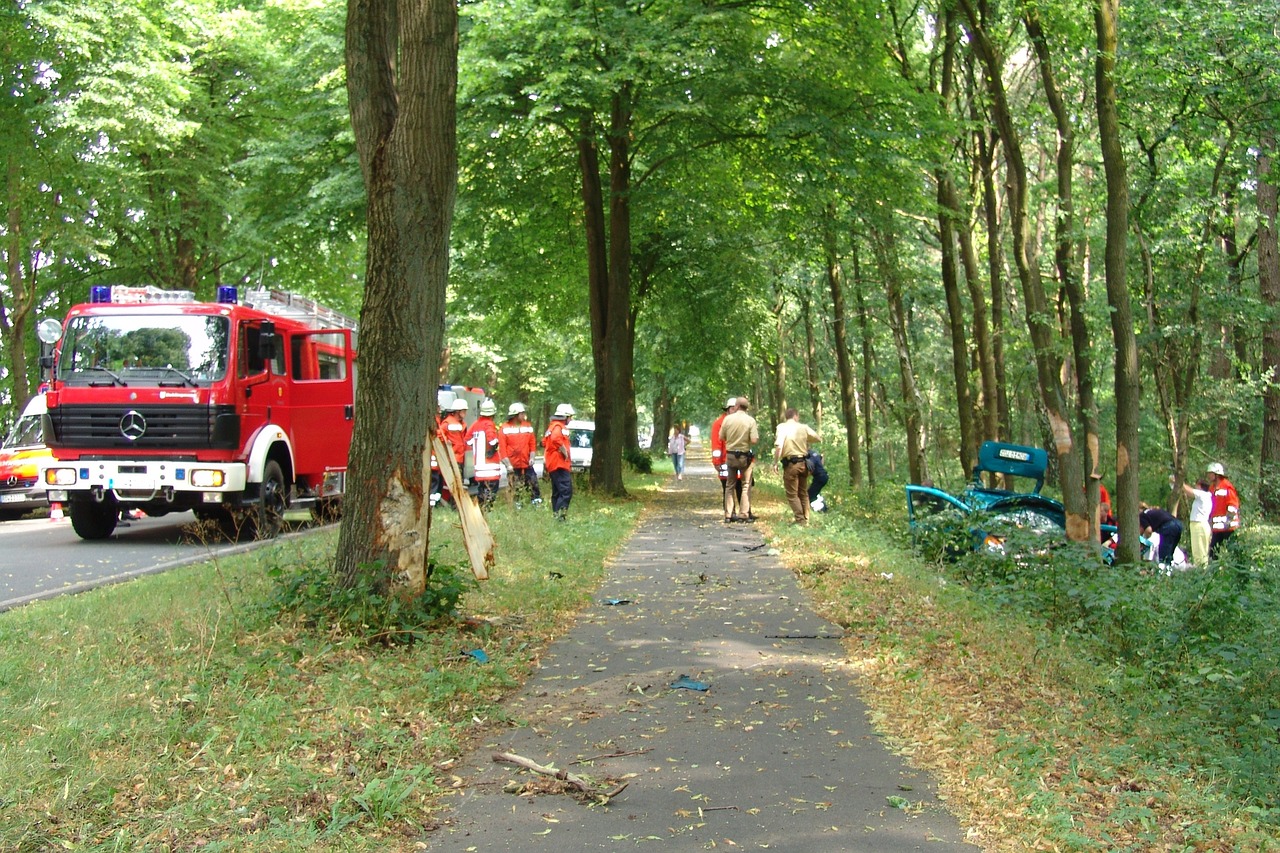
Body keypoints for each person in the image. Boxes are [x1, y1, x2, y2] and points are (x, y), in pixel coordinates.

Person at [773, 408, 821, 525]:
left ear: (787, 417)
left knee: (792, 494)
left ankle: (800, 520)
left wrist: (775, 462)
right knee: (803, 493)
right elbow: (817, 438)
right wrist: (804, 438)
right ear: (796, 416)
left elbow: (779, 446)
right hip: (804, 464)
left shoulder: (782, 427)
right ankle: (806, 519)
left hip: (791, 464)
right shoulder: (803, 427)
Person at [718, 396, 758, 523]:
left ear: (736, 406)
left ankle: (728, 515)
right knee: (746, 485)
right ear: (746, 407)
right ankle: (744, 514)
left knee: (730, 485)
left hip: (730, 456)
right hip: (744, 457)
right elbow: (754, 440)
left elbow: (721, 437)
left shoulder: (727, 419)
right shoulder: (750, 421)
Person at [499, 402, 541, 507]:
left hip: (527, 463)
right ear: (515, 415)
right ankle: (517, 505)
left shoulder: (527, 426)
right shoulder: (504, 428)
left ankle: (536, 503)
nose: (524, 415)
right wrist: (508, 465)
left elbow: (532, 444)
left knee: (533, 483)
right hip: (513, 465)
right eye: (522, 413)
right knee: (515, 486)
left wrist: (532, 458)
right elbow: (502, 449)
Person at [430, 399, 469, 508]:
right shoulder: (447, 423)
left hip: (459, 458)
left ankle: (455, 504)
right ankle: (455, 505)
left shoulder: (461, 424)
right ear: (457, 411)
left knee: (457, 482)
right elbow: (439, 437)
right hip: (452, 458)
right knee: (454, 482)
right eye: (464, 411)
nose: (465, 413)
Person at [465, 399, 502, 509]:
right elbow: (492, 441)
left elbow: (467, 439)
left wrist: (476, 445)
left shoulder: (476, 424)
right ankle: (486, 509)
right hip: (490, 466)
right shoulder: (489, 424)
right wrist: (496, 442)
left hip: (479, 466)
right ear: (492, 414)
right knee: (491, 490)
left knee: (482, 489)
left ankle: (480, 509)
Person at [544, 403, 575, 521]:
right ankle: (560, 518)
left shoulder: (552, 426)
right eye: (570, 416)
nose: (571, 419)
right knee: (566, 491)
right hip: (559, 464)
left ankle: (557, 516)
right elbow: (555, 439)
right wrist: (564, 451)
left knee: (557, 492)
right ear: (565, 416)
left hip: (554, 463)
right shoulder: (558, 427)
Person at [1206, 462, 1241, 559]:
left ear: (1216, 474)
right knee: (1213, 552)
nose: (1208, 476)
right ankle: (1213, 572)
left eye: (1210, 473)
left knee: (1232, 550)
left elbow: (1233, 505)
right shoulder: (1212, 488)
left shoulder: (1227, 486)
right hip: (1217, 528)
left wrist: (1228, 521)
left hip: (1229, 527)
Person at [1180, 478, 1213, 566]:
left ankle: (1201, 571)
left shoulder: (1203, 494)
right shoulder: (1205, 496)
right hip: (1199, 525)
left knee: (1199, 551)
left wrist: (1178, 481)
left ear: (1200, 486)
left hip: (1199, 525)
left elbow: (1188, 490)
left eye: (1196, 485)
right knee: (1198, 550)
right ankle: (1201, 569)